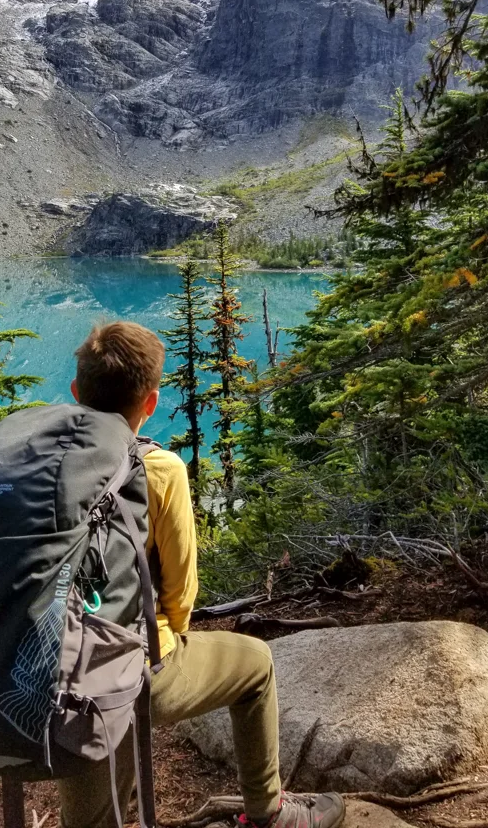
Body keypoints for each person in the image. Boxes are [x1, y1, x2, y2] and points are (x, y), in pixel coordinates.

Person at [60, 321, 345, 828]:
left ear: (77, 393)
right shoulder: (159, 469)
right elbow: (179, 598)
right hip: (123, 668)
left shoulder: (43, 463)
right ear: (150, 403)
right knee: (255, 662)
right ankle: (270, 814)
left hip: (35, 670)